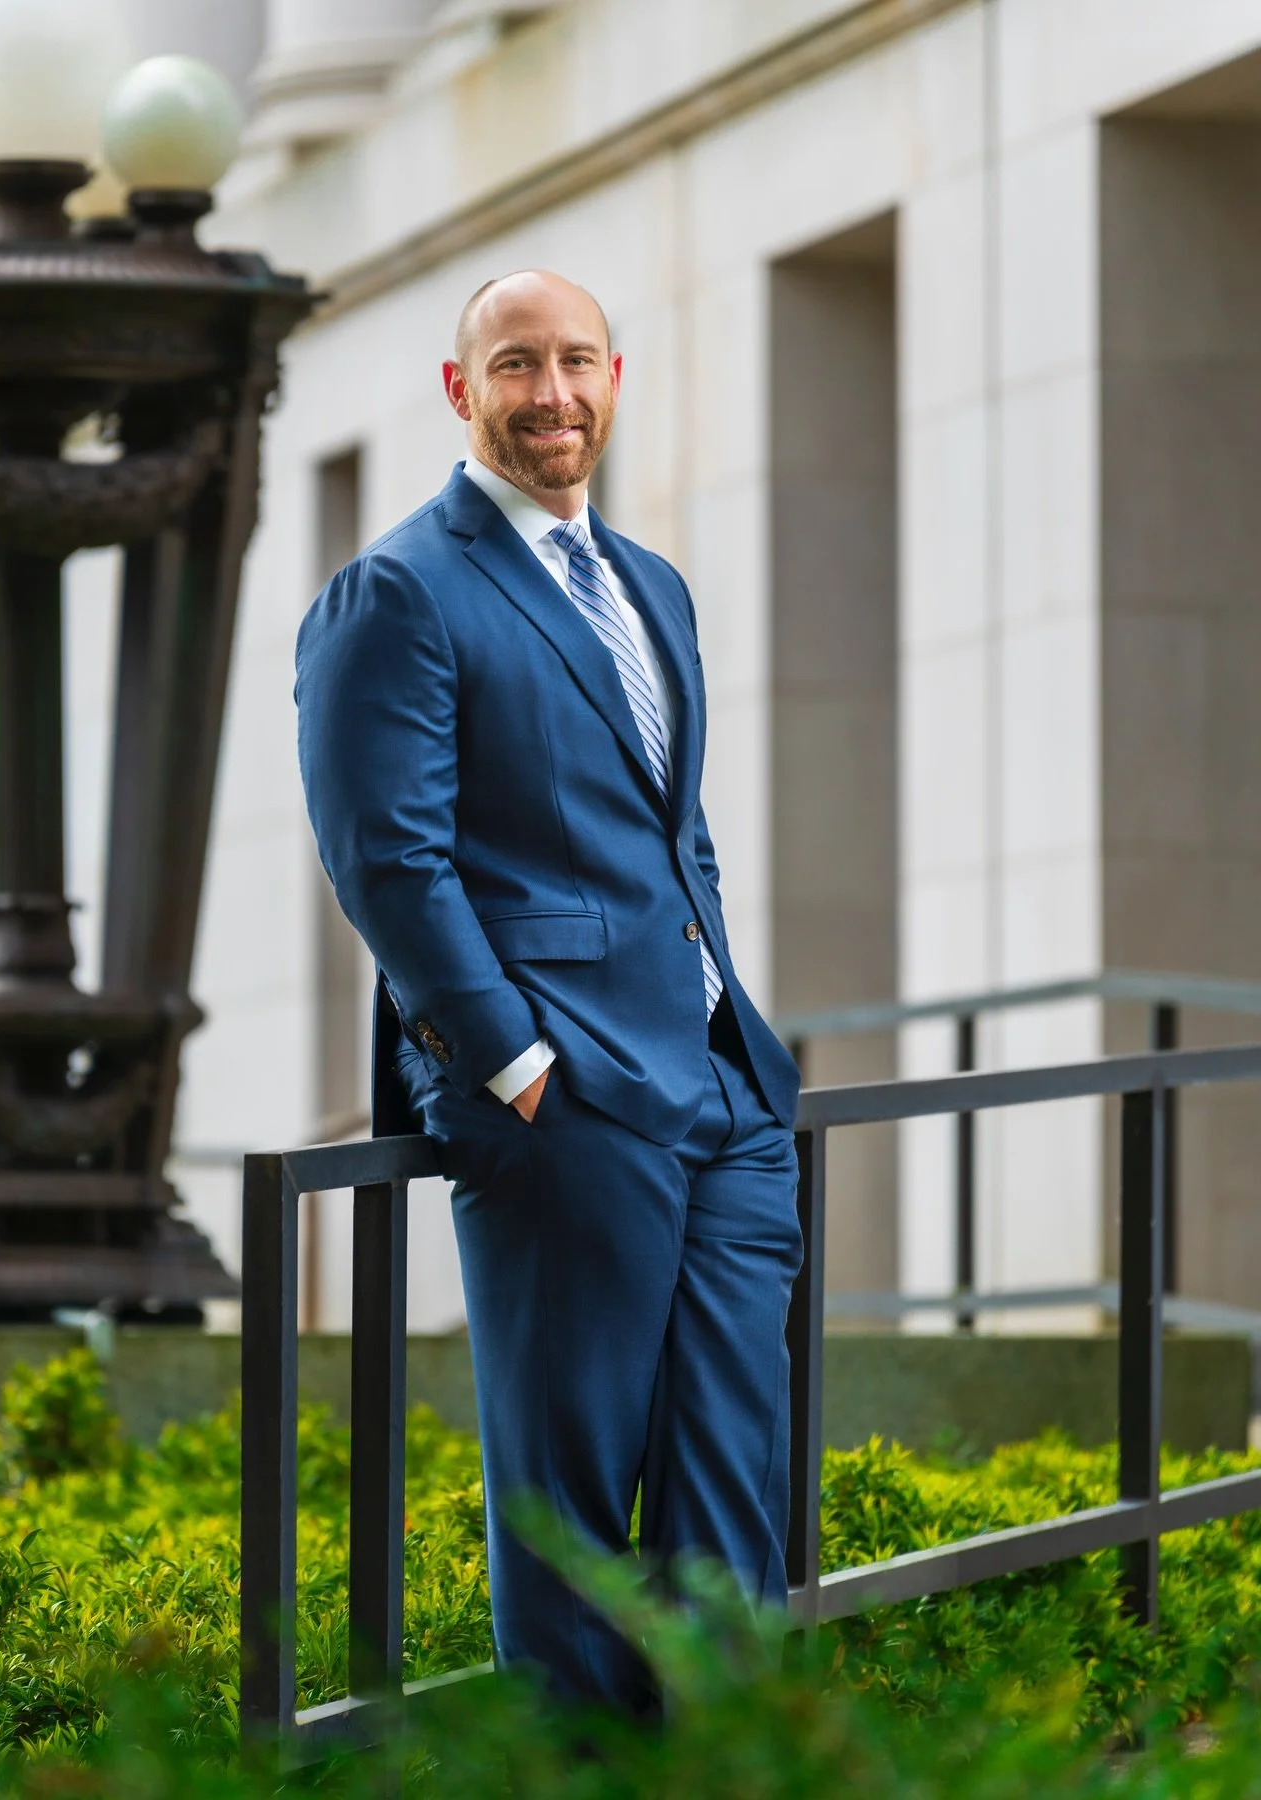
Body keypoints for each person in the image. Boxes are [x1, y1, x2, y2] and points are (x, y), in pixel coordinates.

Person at [294, 270, 803, 1715]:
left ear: (618, 378)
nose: (554, 394)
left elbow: (674, 826)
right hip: (561, 1096)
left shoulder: (654, 584)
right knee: (570, 1496)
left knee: (731, 1478)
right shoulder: (397, 591)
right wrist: (508, 1057)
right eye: (518, 366)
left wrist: (722, 1011)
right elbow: (388, 858)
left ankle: (723, 1759)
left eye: (578, 362)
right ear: (464, 392)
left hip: (722, 1088)